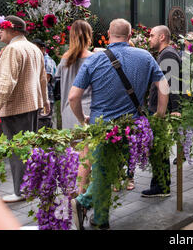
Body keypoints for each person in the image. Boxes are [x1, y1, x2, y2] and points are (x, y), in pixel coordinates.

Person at [70, 18, 169, 230]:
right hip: (131, 128)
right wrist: (159, 114)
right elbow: (164, 86)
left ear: (108, 33)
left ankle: (91, 208)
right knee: (110, 170)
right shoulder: (145, 56)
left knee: (104, 170)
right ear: (130, 35)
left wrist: (81, 119)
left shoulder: (94, 60)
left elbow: (73, 97)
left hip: (100, 127)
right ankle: (96, 214)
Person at [0, 15, 49, 203]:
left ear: (13, 30)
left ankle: (20, 191)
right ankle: (30, 187)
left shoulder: (12, 49)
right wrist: (45, 101)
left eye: (2, 28)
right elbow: (42, 78)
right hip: (32, 105)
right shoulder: (33, 48)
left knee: (17, 151)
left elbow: (7, 82)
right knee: (27, 148)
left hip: (15, 107)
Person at [141, 25, 182, 197]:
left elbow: (173, 83)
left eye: (152, 35)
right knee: (159, 148)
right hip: (159, 108)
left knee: (159, 148)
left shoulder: (169, 54)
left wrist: (176, 108)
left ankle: (161, 187)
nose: (149, 39)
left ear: (162, 37)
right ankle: (160, 185)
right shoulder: (165, 54)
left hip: (161, 110)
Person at [55, 19, 93, 195]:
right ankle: (81, 194)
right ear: (89, 36)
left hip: (67, 111)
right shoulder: (93, 59)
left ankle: (71, 189)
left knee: (71, 155)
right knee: (86, 158)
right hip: (86, 111)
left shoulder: (64, 60)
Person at [32, 39, 57, 129]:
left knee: (43, 124)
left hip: (46, 98)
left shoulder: (47, 61)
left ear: (42, 49)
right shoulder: (39, 60)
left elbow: (45, 80)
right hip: (39, 99)